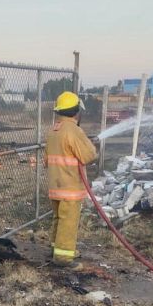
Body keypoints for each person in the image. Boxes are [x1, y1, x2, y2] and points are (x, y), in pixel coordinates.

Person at [45, 91, 97, 270]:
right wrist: (89, 145)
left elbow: (48, 158)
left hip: (55, 185)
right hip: (70, 186)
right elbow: (89, 155)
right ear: (76, 111)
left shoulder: (53, 130)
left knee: (58, 218)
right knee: (68, 222)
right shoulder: (74, 130)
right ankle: (63, 258)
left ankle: (56, 249)